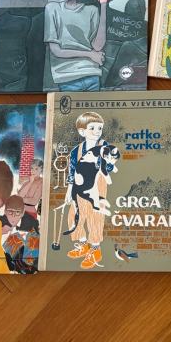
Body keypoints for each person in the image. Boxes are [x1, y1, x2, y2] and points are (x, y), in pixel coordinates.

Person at [44, 0, 116, 91]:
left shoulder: (92, 10)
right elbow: (56, 50)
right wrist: (90, 55)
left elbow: (97, 46)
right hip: (67, 77)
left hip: (93, 74)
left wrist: (103, 3)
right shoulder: (52, 9)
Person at [64, 112, 120, 270]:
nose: (97, 131)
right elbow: (72, 172)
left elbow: (109, 167)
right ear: (82, 131)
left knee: (95, 218)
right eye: (92, 128)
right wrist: (69, 191)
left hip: (97, 187)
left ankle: (95, 250)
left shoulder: (105, 147)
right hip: (79, 186)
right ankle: (83, 245)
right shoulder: (76, 151)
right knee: (74, 216)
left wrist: (109, 164)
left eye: (100, 128)